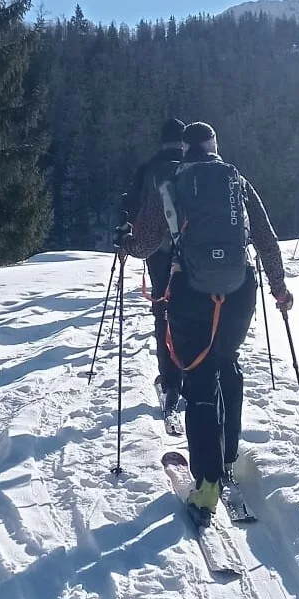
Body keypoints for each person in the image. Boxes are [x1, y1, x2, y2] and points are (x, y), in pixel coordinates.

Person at [157, 122, 292, 523]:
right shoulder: (236, 180)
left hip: (191, 294)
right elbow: (265, 238)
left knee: (198, 380)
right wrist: (279, 289)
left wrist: (126, 244)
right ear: (215, 147)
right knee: (227, 363)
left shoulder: (174, 182)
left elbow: (148, 239)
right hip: (239, 291)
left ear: (185, 149)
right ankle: (229, 456)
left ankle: (208, 482)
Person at [118, 118, 187, 421]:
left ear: (162, 140)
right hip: (194, 254)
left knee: (163, 311)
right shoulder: (195, 167)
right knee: (192, 312)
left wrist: (126, 240)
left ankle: (170, 380)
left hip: (158, 252)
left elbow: (132, 207)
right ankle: (193, 377)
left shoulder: (149, 169)